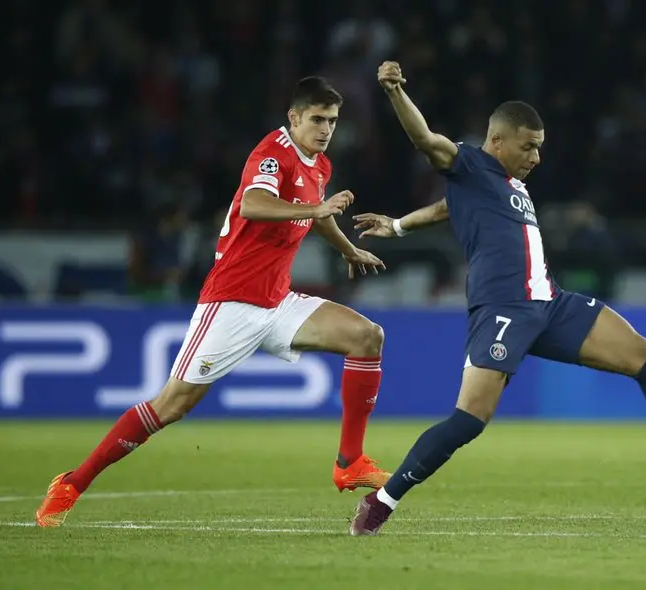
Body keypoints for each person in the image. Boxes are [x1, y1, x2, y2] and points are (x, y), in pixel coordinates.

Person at [347, 61, 646, 536]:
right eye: (528, 147)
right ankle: (381, 501)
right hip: (503, 309)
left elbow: (444, 208)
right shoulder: (469, 163)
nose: (536, 157)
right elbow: (425, 139)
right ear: (497, 140)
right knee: (469, 421)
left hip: (551, 303)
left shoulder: (502, 185)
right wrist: (394, 91)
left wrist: (399, 225)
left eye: (540, 147)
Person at [36, 76, 392, 527]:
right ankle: (71, 483)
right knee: (171, 406)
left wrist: (347, 249)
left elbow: (317, 214)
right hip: (232, 302)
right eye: (317, 119)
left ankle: (349, 462)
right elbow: (254, 205)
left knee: (366, 336)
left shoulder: (319, 165)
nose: (325, 129)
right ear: (294, 117)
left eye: (333, 121)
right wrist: (315, 210)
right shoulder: (272, 154)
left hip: (277, 302)